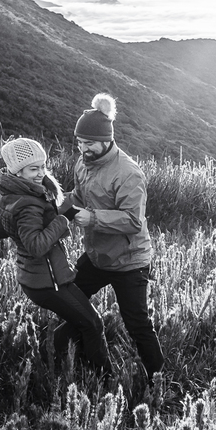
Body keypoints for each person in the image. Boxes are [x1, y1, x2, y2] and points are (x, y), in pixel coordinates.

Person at [65, 92, 165, 388]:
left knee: (137, 324)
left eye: (90, 144)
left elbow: (133, 221)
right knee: (70, 302)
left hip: (129, 261)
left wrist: (92, 218)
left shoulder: (128, 173)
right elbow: (78, 195)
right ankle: (75, 356)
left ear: (107, 140)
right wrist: (56, 205)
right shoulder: (83, 163)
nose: (83, 149)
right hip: (98, 256)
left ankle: (158, 381)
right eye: (80, 143)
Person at [0, 137, 113, 376]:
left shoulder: (8, 193)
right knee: (92, 323)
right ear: (17, 171)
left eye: (42, 167)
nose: (40, 174)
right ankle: (103, 378)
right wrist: (63, 218)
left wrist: (45, 214)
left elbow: (0, 229)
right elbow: (37, 246)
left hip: (37, 278)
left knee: (84, 321)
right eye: (33, 169)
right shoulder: (27, 203)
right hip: (47, 282)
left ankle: (46, 360)